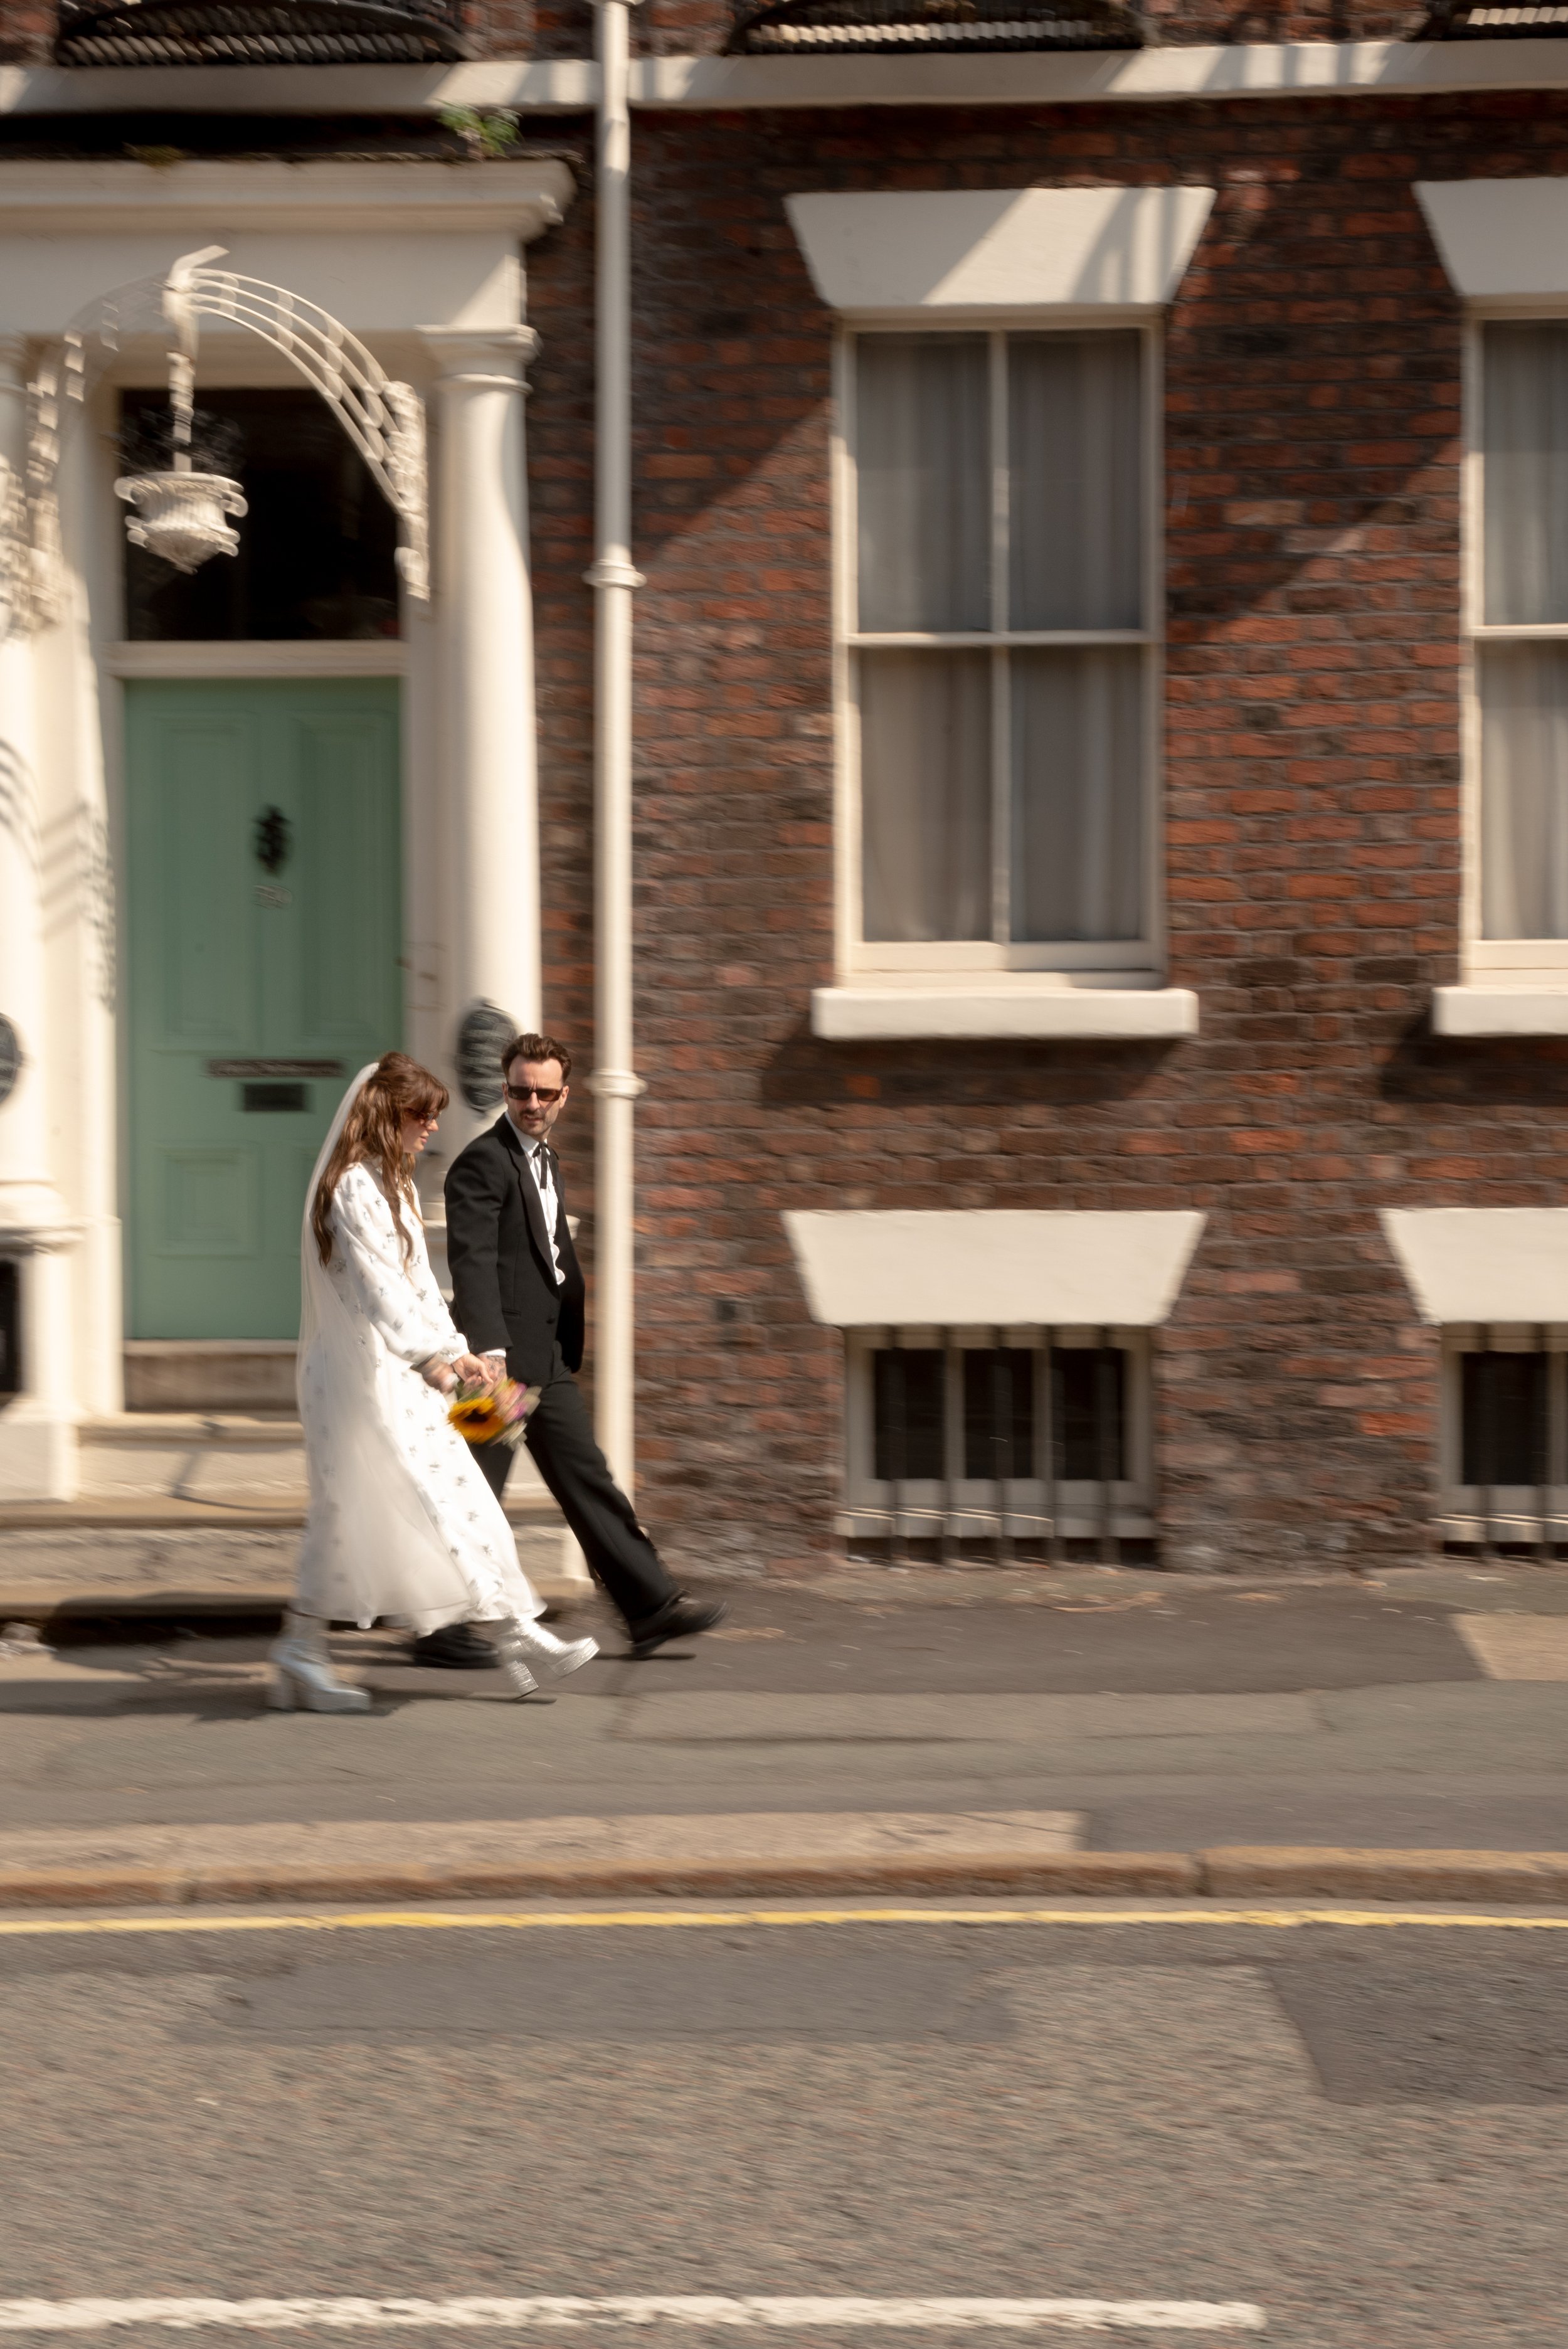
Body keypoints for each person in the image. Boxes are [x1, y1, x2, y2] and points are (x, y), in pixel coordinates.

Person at [270, 1051, 598, 1712]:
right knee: (387, 1508)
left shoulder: (392, 1186)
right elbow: (378, 1289)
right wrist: (434, 1362)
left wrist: (459, 1351)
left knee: (452, 1496)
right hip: (366, 1378)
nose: (430, 1129)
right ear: (387, 1115)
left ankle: (510, 1633)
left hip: (407, 1373)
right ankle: (507, 1634)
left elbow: (419, 1284)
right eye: (421, 1116)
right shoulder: (353, 1190)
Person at [441, 1029, 725, 1660]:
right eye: (520, 1091)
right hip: (497, 1366)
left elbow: (551, 1259)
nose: (532, 1103)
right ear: (505, 1090)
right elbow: (473, 1260)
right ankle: (441, 1626)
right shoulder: (481, 1163)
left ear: (564, 1095)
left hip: (545, 1357)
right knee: (473, 1489)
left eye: (544, 1093)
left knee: (589, 1481)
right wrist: (488, 1351)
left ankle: (649, 1607)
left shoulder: (545, 1159)